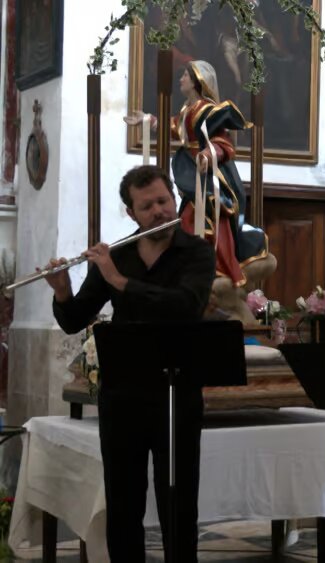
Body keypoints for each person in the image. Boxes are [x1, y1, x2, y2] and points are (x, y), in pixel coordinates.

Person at [44, 165, 216, 561]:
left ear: (174, 199)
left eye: (163, 200)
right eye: (147, 205)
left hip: (177, 397)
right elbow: (74, 320)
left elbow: (185, 306)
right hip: (122, 396)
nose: (158, 210)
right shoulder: (117, 255)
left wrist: (119, 281)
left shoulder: (198, 253)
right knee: (123, 505)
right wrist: (63, 292)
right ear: (131, 213)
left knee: (179, 503)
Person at [125, 60, 268, 287]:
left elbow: (224, 142)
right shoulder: (186, 110)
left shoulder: (209, 110)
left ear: (196, 81)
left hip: (208, 174)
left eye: (185, 75)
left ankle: (217, 268)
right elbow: (175, 128)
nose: (180, 79)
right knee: (189, 213)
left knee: (208, 211)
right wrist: (148, 120)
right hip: (190, 169)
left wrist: (210, 153)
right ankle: (192, 268)